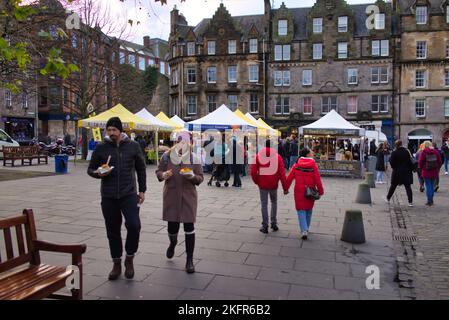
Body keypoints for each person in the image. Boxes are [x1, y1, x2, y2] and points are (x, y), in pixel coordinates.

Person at [87, 117, 146, 280]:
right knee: (112, 231)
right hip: (108, 195)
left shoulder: (133, 146)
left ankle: (129, 258)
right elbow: (90, 169)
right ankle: (116, 262)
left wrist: (142, 190)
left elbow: (141, 168)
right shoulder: (101, 148)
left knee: (134, 226)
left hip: (128, 194)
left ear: (121, 131)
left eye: (114, 130)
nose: (111, 133)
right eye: (109, 130)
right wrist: (98, 173)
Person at [155, 131, 204, 274]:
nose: (182, 144)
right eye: (180, 141)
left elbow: (200, 178)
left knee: (189, 227)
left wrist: (192, 176)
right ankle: (173, 243)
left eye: (185, 142)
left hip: (188, 197)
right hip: (171, 195)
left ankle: (189, 260)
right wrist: (163, 175)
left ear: (190, 143)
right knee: (172, 227)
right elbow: (158, 172)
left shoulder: (195, 158)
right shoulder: (166, 157)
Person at [286, 148, 324, 240]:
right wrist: (321, 191)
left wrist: (285, 188)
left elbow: (289, 178)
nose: (313, 153)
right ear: (307, 154)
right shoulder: (313, 165)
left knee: (300, 210)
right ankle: (306, 228)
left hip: (298, 191)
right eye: (311, 152)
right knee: (309, 209)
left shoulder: (296, 165)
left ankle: (304, 230)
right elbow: (317, 179)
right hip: (310, 191)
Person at [251, 140, 288, 234]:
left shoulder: (258, 156)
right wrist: (285, 187)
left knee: (264, 204)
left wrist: (257, 181)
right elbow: (282, 173)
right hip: (274, 184)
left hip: (262, 184)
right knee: (274, 202)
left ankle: (265, 225)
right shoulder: (278, 157)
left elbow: (253, 171)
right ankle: (274, 223)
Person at [384, 140, 414, 207]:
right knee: (408, 187)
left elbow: (391, 162)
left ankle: (388, 198)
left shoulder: (394, 152)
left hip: (397, 172)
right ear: (401, 144)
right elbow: (410, 161)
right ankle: (410, 202)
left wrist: (394, 167)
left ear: (396, 145)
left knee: (393, 186)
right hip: (406, 171)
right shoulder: (407, 151)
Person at [418, 141, 442, 206]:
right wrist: (438, 168)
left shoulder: (423, 152)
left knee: (428, 186)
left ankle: (429, 201)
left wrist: (421, 169)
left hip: (426, 172)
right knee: (432, 185)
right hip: (434, 172)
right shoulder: (436, 152)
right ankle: (431, 200)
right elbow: (440, 161)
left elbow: (420, 162)